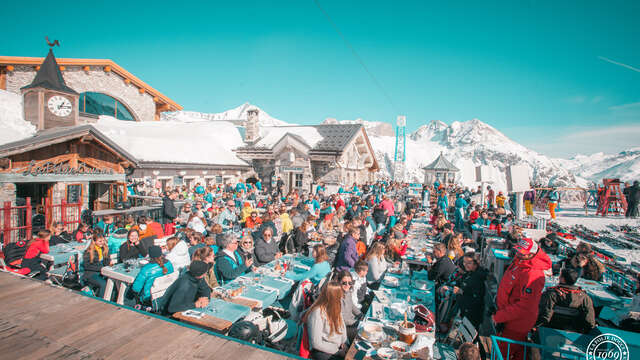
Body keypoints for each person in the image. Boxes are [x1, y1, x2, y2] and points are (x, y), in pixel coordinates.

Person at [492, 237, 551, 360]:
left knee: (501, 352)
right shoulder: (520, 262)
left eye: (522, 253)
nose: (518, 254)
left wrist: (500, 316)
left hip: (516, 323)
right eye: (518, 251)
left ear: (532, 254)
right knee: (516, 351)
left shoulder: (533, 274)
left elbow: (525, 307)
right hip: (507, 316)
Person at [535, 268, 596, 334]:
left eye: (560, 276)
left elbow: (545, 314)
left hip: (549, 329)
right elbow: (589, 319)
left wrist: (535, 327)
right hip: (573, 331)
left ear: (563, 279)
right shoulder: (585, 297)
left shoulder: (551, 294)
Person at [302, 281, 348, 360]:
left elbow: (342, 328)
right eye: (340, 295)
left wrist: (345, 343)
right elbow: (316, 343)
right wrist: (337, 351)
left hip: (337, 348)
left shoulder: (336, 307)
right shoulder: (317, 313)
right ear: (334, 297)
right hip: (322, 352)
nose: (342, 297)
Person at [445, 252, 487, 329]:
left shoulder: (478, 279)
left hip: (472, 314)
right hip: (464, 309)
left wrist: (462, 292)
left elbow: (477, 299)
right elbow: (460, 282)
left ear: (476, 263)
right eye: (464, 262)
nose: (465, 264)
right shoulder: (470, 272)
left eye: (469, 263)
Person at [336, 270, 362, 342]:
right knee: (362, 333)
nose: (348, 285)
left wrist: (361, 315)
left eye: (350, 283)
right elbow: (343, 319)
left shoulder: (348, 292)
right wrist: (357, 322)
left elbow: (352, 305)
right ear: (338, 282)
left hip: (351, 321)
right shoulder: (337, 296)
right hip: (343, 327)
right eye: (344, 283)